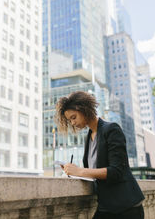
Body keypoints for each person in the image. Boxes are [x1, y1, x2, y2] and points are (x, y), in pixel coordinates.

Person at [54, 91, 145, 219]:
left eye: (73, 117)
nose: (72, 123)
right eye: (70, 120)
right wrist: (74, 171)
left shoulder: (112, 129)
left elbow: (116, 171)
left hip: (127, 207)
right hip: (106, 206)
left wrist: (80, 171)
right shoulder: (89, 137)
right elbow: (93, 171)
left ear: (83, 109)